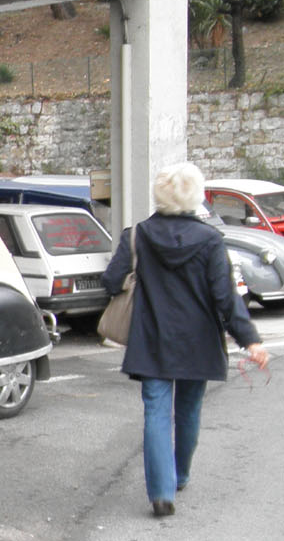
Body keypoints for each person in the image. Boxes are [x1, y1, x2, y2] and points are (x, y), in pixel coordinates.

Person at [102, 162, 270, 517]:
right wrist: (250, 340)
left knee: (156, 413)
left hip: (151, 339)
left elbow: (111, 280)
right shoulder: (210, 240)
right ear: (195, 196)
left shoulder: (138, 235)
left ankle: (161, 494)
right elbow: (225, 297)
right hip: (199, 340)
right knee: (189, 410)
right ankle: (179, 475)